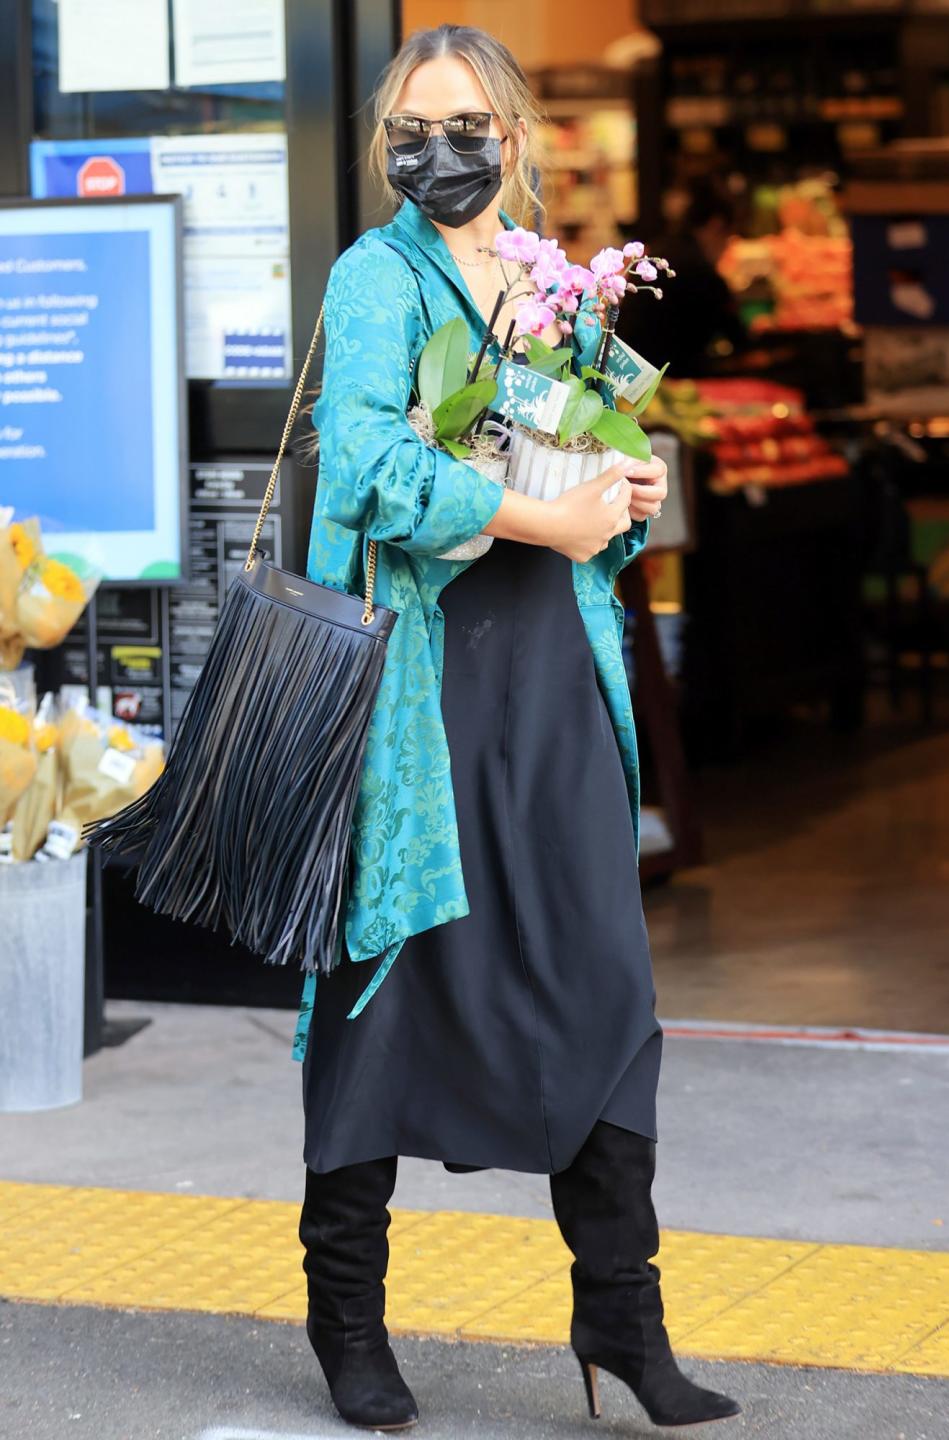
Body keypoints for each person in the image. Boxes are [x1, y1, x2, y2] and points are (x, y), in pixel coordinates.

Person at [293, 23, 741, 1433]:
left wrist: (622, 497)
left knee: (604, 982)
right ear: (386, 145)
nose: (443, 149)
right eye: (414, 126)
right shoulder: (377, 277)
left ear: (516, 132)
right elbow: (363, 459)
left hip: (550, 684)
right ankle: (348, 1328)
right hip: (415, 694)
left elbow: (602, 452)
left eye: (469, 122)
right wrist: (535, 512)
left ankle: (623, 1322)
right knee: (383, 994)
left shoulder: (556, 282)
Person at [617, 176, 747, 377]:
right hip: (665, 379)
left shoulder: (664, 250)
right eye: (728, 239)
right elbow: (737, 336)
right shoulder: (697, 268)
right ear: (716, 226)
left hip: (627, 372)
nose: (726, 249)